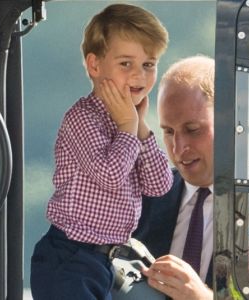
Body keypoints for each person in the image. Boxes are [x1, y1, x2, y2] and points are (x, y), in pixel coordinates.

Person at [30, 3, 173, 300]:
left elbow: (160, 185)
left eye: (149, 64)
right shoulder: (83, 118)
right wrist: (127, 126)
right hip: (68, 257)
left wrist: (141, 130)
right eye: (126, 64)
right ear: (94, 66)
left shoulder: (131, 125)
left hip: (104, 261)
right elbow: (109, 175)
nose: (139, 75)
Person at [133, 55, 215, 300]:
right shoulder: (142, 197)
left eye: (192, 130)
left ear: (231, 119)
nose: (178, 148)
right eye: (168, 131)